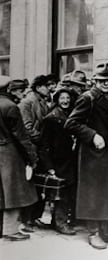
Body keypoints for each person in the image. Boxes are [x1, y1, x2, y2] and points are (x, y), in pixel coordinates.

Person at [64, 63, 108, 250]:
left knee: (107, 190)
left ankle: (105, 229)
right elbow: (71, 123)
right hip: (92, 154)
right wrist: (92, 135)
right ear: (95, 81)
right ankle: (94, 232)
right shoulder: (87, 98)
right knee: (94, 193)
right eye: (102, 80)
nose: (106, 83)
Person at [0, 77, 38, 241]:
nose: (23, 93)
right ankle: (10, 230)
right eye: (21, 90)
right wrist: (31, 157)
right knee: (13, 192)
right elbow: (21, 137)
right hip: (9, 154)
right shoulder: (11, 107)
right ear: (11, 90)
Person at [37, 87, 77, 235]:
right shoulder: (51, 118)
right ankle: (60, 223)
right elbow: (44, 145)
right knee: (61, 193)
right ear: (57, 100)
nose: (65, 101)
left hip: (68, 160)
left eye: (68, 98)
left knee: (67, 191)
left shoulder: (71, 115)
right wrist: (49, 167)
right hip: (58, 161)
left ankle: (58, 221)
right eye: (62, 98)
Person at [18, 75, 51, 232]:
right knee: (30, 185)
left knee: (38, 186)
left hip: (40, 149)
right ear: (38, 87)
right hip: (32, 149)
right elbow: (27, 127)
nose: (49, 88)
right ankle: (25, 220)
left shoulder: (42, 102)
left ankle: (34, 217)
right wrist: (42, 139)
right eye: (46, 85)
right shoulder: (27, 102)